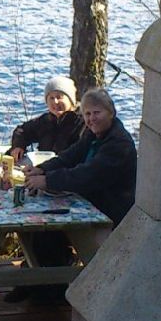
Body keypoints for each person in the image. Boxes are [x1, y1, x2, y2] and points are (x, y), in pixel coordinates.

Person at [26, 87, 137, 224]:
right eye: (87, 114)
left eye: (97, 113)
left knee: (49, 228)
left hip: (111, 212)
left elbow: (87, 175)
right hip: (90, 201)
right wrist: (42, 169)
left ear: (111, 113)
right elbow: (71, 155)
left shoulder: (119, 144)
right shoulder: (93, 133)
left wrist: (47, 180)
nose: (92, 118)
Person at [8, 75, 84, 162]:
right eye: (51, 98)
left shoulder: (82, 122)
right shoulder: (45, 120)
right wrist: (18, 146)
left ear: (71, 100)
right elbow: (22, 131)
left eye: (59, 97)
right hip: (44, 168)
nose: (55, 102)